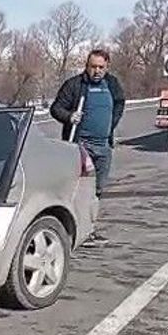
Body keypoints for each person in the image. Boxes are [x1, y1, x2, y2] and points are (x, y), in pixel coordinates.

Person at [50, 49, 125, 245]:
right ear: (87, 66)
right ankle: (72, 230)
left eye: (101, 67)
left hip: (103, 146)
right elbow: (56, 108)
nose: (97, 71)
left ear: (107, 67)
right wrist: (69, 116)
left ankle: (89, 231)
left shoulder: (112, 84)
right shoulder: (75, 85)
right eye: (93, 67)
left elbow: (119, 104)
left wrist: (110, 127)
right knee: (80, 190)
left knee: (97, 191)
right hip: (81, 145)